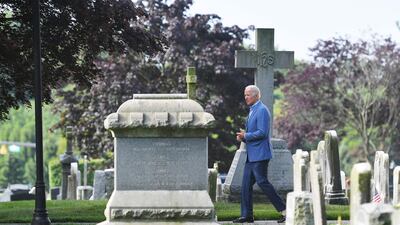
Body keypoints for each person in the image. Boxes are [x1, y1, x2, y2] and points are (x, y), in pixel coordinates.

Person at [233, 85, 286, 223]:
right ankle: (247, 215)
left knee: (262, 182)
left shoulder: (262, 110)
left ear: (256, 96)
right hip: (252, 156)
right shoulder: (253, 110)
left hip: (260, 155)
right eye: (245, 95)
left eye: (248, 94)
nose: (246, 97)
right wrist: (243, 137)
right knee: (245, 185)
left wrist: (247, 135)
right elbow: (253, 133)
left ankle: (285, 210)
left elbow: (262, 133)